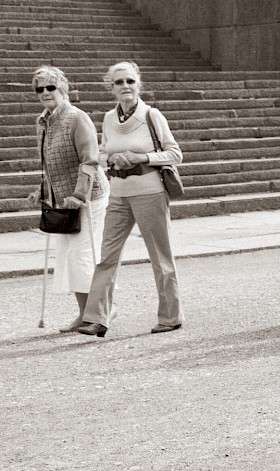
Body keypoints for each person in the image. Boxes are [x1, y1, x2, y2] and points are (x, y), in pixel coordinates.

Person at [77, 61, 184, 338]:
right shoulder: (109, 119)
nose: (125, 87)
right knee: (107, 258)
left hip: (150, 192)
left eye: (130, 81)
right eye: (119, 82)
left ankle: (171, 317)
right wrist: (109, 158)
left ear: (138, 84)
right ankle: (96, 319)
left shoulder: (152, 115)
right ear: (111, 87)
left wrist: (142, 157)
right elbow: (100, 153)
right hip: (119, 195)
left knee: (161, 258)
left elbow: (175, 153)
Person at [27, 66, 110, 332]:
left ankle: (101, 312)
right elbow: (49, 164)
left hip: (90, 196)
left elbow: (90, 160)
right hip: (62, 200)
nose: (45, 93)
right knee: (69, 256)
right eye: (40, 89)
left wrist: (79, 194)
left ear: (62, 88)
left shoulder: (77, 117)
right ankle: (85, 313)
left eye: (50, 87)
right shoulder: (43, 121)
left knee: (81, 254)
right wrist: (43, 190)